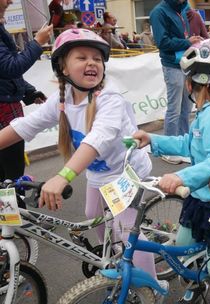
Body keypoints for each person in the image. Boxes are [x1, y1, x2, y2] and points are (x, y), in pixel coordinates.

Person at [0, 28, 157, 277]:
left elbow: (98, 140)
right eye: (82, 57)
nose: (91, 63)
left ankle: (148, 284)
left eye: (96, 58)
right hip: (100, 172)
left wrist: (63, 176)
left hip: (126, 171)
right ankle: (114, 254)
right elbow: (24, 126)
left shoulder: (109, 98)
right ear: (64, 68)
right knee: (93, 215)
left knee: (127, 229)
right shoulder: (63, 98)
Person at [132, 42, 210, 304]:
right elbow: (190, 144)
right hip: (205, 197)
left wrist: (180, 177)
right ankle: (198, 283)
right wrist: (153, 140)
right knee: (184, 247)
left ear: (188, 85)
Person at [0, 2, 52, 184]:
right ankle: (15, 210)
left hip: (7, 104)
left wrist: (28, 92)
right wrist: (37, 43)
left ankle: (13, 209)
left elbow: (4, 73)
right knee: (12, 175)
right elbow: (10, 67)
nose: (10, 2)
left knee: (9, 172)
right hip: (3, 108)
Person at [150, 0, 202, 164]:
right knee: (174, 108)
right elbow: (162, 42)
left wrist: (191, 40)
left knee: (186, 108)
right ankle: (168, 148)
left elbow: (182, 35)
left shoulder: (182, 9)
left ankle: (183, 144)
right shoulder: (159, 12)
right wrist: (188, 42)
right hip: (172, 64)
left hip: (185, 63)